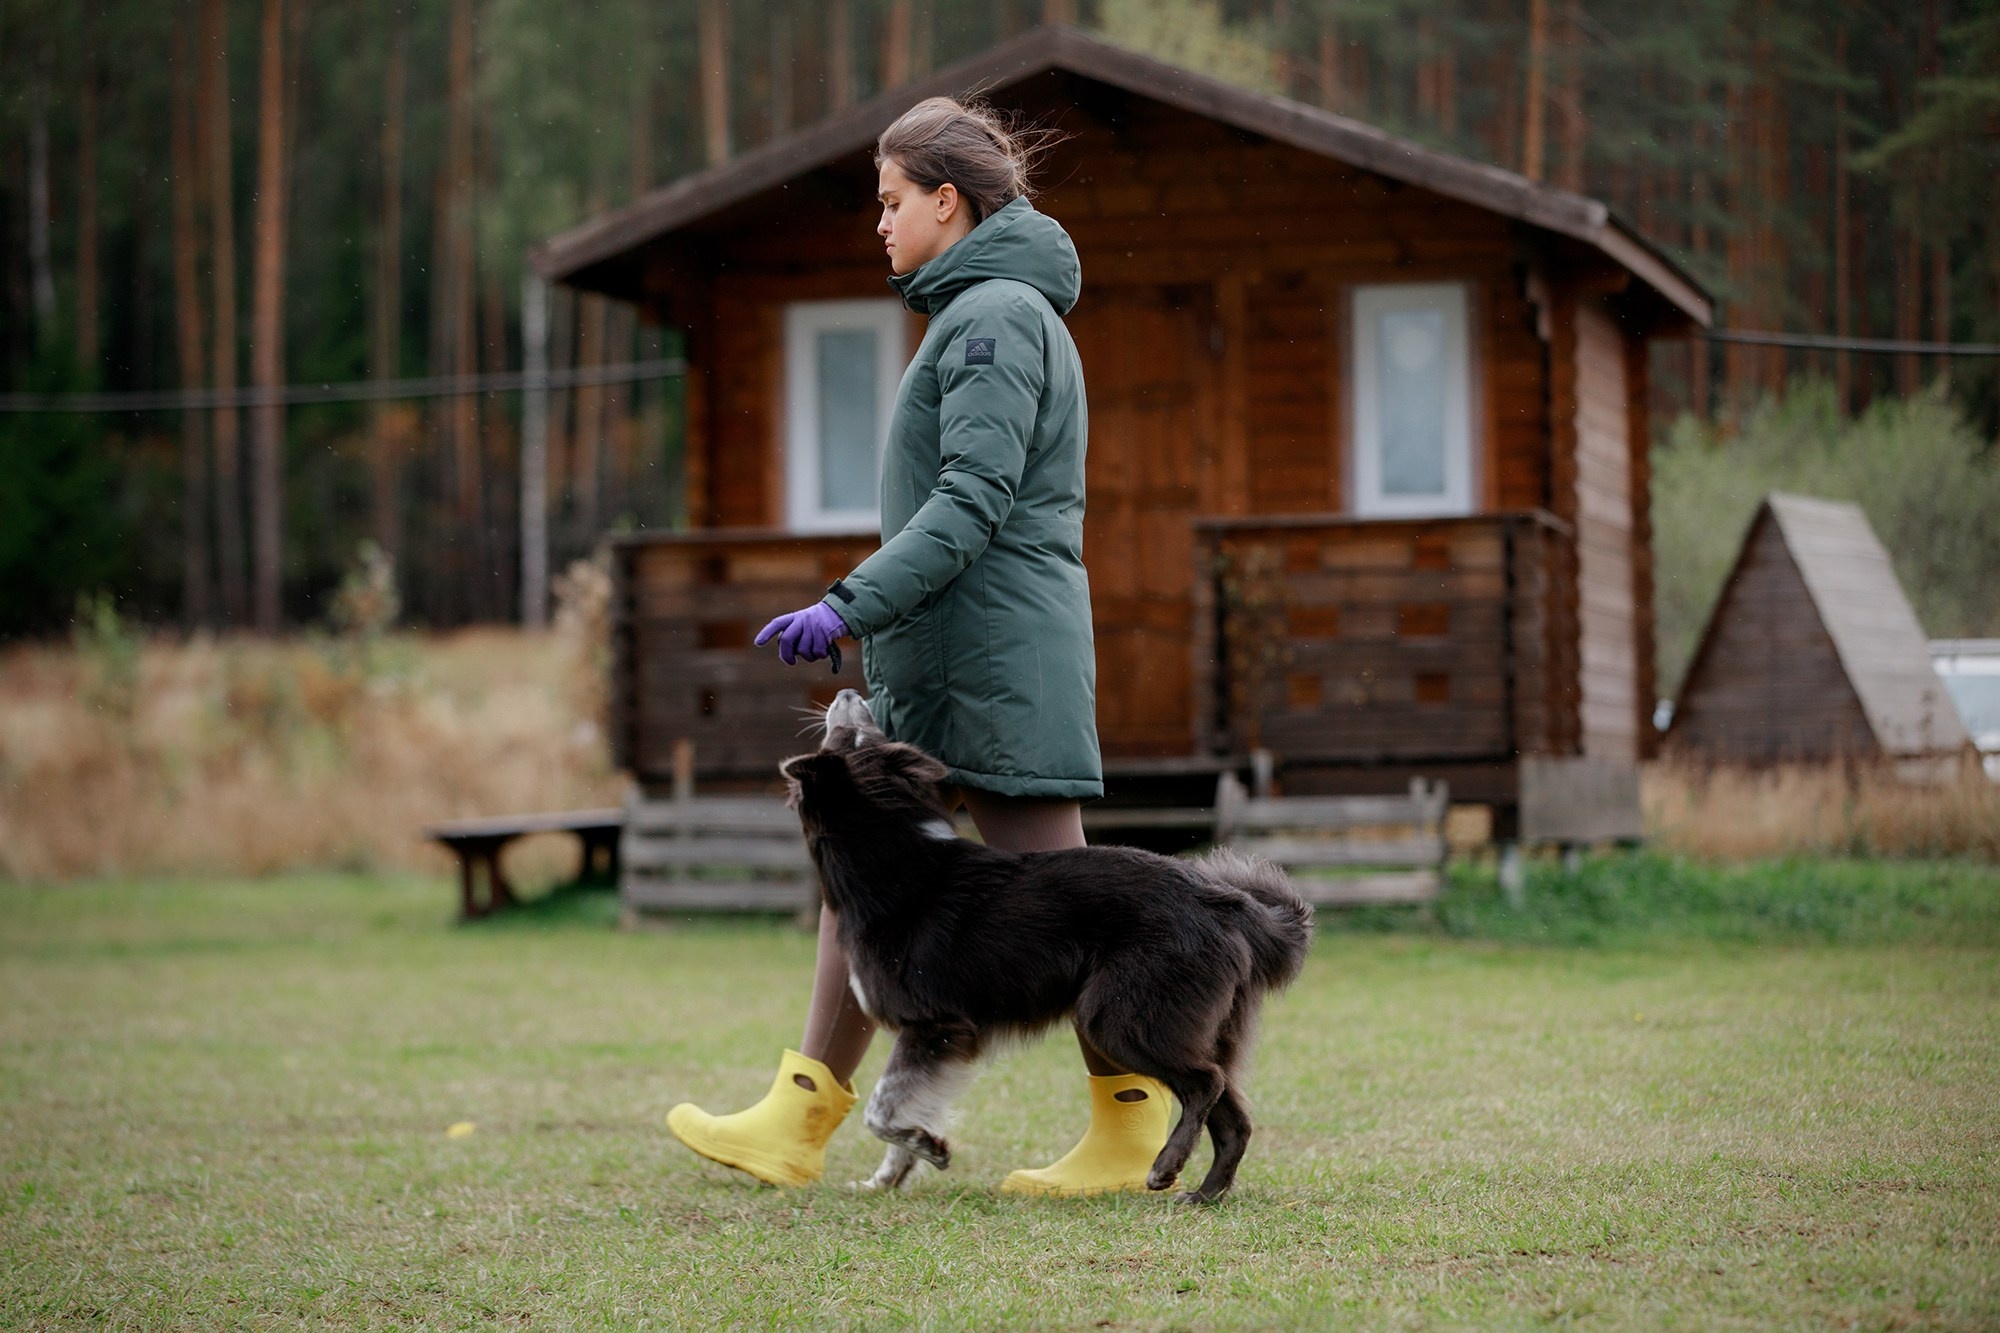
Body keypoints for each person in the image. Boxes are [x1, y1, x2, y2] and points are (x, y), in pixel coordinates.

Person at [665, 96, 1171, 1197]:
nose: (878, 225)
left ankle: (1129, 1131)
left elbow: (967, 505)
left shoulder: (993, 318)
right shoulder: (978, 313)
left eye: (891, 202)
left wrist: (846, 605)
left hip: (992, 659)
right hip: (952, 653)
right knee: (861, 882)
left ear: (949, 202)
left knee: (1070, 897)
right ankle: (794, 1119)